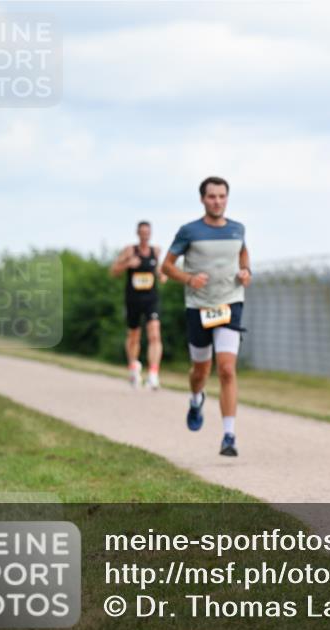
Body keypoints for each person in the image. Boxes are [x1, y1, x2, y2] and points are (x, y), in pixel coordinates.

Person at [162, 176, 251, 457]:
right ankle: (196, 397)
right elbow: (166, 266)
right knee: (200, 370)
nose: (217, 201)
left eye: (222, 196)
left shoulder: (238, 229)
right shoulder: (189, 231)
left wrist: (246, 272)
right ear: (203, 199)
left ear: (227, 198)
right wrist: (188, 278)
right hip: (199, 307)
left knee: (226, 368)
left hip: (230, 304)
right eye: (212, 196)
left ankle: (229, 435)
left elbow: (244, 256)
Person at [111, 221, 166, 389]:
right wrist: (127, 264)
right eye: (142, 232)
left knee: (155, 335)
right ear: (137, 233)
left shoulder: (155, 251)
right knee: (134, 336)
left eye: (147, 232)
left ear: (150, 233)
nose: (145, 235)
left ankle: (153, 374)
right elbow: (113, 271)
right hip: (133, 300)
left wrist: (163, 275)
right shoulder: (129, 250)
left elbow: (161, 272)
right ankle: (134, 367)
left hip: (151, 299)